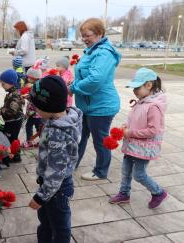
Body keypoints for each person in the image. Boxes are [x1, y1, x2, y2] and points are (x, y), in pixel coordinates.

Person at [28, 75, 82, 243]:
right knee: (46, 220)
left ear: (48, 107)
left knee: (59, 226)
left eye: (36, 107)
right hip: (53, 186)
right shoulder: (65, 117)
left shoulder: (57, 133)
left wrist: (40, 197)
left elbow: (56, 172)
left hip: (56, 190)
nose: (34, 109)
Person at [69, 18, 122, 181]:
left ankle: (100, 171)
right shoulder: (92, 50)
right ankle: (72, 164)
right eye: (82, 36)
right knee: (80, 136)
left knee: (101, 141)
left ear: (99, 33)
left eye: (87, 35)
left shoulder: (104, 53)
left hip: (101, 106)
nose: (84, 39)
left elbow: (95, 80)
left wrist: (72, 88)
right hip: (87, 105)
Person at [109, 68, 168, 209]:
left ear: (148, 85)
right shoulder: (142, 101)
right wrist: (126, 126)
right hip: (132, 145)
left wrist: (130, 133)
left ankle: (158, 192)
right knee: (125, 171)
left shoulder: (154, 106)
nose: (134, 91)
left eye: (137, 87)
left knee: (139, 174)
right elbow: (137, 120)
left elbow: (153, 130)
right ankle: (124, 193)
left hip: (143, 148)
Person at [0, 69, 25, 162]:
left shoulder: (14, 95)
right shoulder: (11, 93)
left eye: (3, 84)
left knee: (11, 138)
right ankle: (14, 154)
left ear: (11, 83)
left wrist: (0, 112)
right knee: (12, 138)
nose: (1, 86)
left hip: (14, 121)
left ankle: (14, 156)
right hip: (11, 121)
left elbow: (12, 110)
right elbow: (8, 106)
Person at [21, 66, 43, 149]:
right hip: (34, 112)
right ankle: (32, 141)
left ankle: (39, 142)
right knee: (35, 127)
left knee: (37, 128)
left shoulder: (36, 87)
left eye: (28, 77)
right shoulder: (37, 85)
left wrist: (27, 97)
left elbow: (35, 98)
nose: (27, 79)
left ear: (33, 78)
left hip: (35, 113)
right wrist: (27, 95)